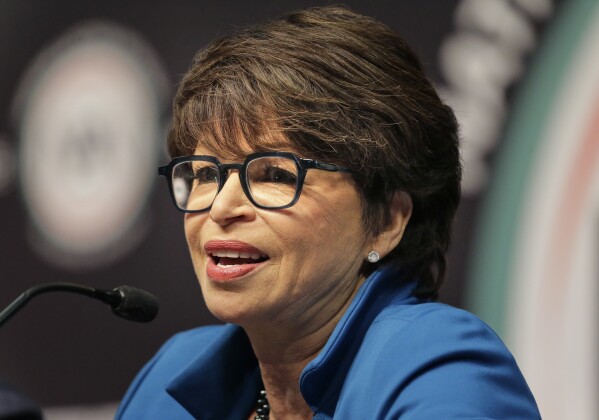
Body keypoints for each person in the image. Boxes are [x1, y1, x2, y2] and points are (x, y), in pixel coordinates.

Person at [117, 6, 540, 419]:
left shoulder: (440, 368)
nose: (222, 207)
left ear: (387, 221)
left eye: (275, 176)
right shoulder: (169, 379)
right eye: (206, 174)